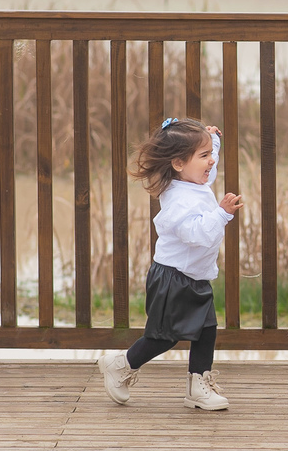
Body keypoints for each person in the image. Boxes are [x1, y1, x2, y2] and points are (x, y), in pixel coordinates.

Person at [97, 118, 244, 411]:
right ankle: (121, 364)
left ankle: (198, 386)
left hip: (195, 276)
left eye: (210, 155)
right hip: (173, 278)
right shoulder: (178, 200)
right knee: (164, 337)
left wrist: (212, 141)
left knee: (207, 331)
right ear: (178, 163)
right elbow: (197, 234)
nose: (212, 162)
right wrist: (222, 214)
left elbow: (207, 169)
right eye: (204, 156)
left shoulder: (193, 181)